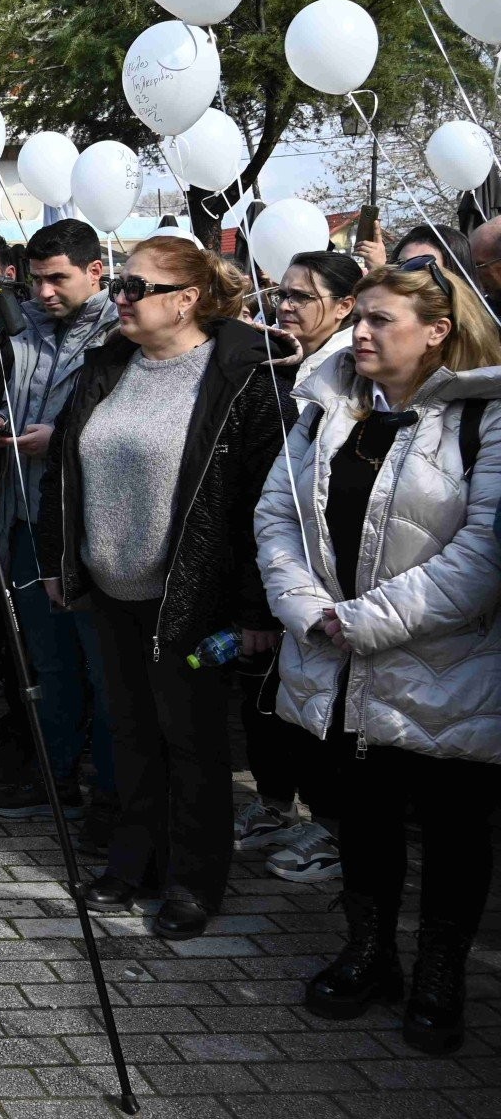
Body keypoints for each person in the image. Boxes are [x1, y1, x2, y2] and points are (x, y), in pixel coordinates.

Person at [255, 258, 501, 1055]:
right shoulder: (324, 405)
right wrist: (306, 610)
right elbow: (277, 514)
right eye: (356, 315)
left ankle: (439, 972)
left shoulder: (485, 414)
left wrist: (362, 619)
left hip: (449, 666)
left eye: (379, 320)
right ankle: (368, 953)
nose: (357, 332)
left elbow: (483, 553)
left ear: (437, 330)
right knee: (361, 817)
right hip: (340, 660)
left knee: (455, 827)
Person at [38, 236, 286, 940]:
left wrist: (256, 608)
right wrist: (61, 558)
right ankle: (133, 859)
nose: (120, 295)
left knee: (193, 742)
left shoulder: (242, 375)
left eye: (137, 286)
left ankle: (193, 881)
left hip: (191, 594)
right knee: (130, 733)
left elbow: (258, 505)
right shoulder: (108, 365)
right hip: (110, 586)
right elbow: (63, 464)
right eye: (119, 281)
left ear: (187, 299)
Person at [0, 219, 119, 833]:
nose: (44, 292)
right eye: (35, 280)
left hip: (88, 527)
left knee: (102, 668)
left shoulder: (122, 334)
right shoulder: (21, 330)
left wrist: (58, 441)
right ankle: (55, 774)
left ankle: (114, 795)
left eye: (58, 279)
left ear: (95, 271)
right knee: (47, 661)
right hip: (23, 517)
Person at [233, 249, 364, 881]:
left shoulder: (344, 376)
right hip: (273, 561)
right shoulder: (274, 363)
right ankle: (274, 804)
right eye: (280, 294)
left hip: (331, 581)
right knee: (267, 701)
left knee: (321, 715)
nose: (284, 307)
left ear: (344, 308)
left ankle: (330, 826)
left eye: (301, 297)